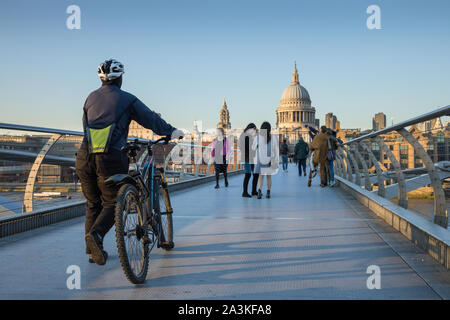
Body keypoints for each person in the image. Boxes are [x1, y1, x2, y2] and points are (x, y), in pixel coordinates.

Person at [75, 59, 183, 266]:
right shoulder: (127, 99)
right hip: (110, 157)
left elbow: (85, 129)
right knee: (113, 201)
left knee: (93, 203)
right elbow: (150, 119)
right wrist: (171, 131)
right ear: (120, 78)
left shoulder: (90, 98)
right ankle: (96, 236)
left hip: (84, 156)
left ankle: (91, 250)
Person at [254, 122, 279, 199]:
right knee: (269, 176)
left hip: (260, 159)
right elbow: (275, 150)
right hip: (269, 159)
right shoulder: (273, 138)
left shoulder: (258, 137)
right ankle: (268, 192)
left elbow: (254, 147)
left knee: (260, 177)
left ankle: (259, 191)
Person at [238, 123, 259, 197]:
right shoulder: (245, 136)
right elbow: (244, 147)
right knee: (248, 174)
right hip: (247, 157)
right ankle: (244, 192)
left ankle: (253, 191)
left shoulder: (248, 135)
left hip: (251, 157)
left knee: (255, 174)